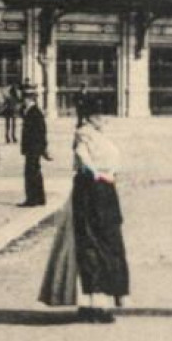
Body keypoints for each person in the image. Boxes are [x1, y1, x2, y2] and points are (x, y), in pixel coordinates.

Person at [39, 99, 129, 322]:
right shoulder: (84, 134)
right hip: (90, 192)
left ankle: (96, 302)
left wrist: (107, 174)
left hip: (104, 191)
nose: (104, 120)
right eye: (99, 116)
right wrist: (98, 173)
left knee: (104, 244)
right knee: (92, 244)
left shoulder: (98, 136)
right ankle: (93, 303)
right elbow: (82, 157)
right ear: (89, 118)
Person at [20, 86, 50, 207]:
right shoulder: (32, 111)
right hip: (34, 148)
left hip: (33, 148)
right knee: (35, 172)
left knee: (30, 173)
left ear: (28, 99)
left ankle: (32, 199)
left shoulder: (34, 112)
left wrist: (40, 147)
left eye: (24, 98)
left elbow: (40, 131)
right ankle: (40, 198)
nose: (23, 101)